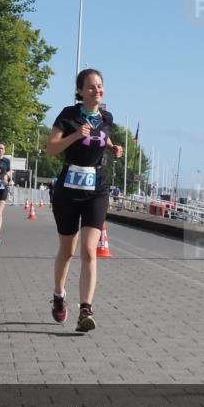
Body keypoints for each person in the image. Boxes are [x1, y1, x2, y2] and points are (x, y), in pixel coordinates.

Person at [45, 69, 123, 332]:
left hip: (96, 189)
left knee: (90, 250)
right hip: (68, 190)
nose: (97, 90)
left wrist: (113, 148)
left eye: (100, 86)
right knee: (67, 251)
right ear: (79, 91)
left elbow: (103, 136)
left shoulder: (106, 117)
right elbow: (52, 148)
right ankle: (58, 295)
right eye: (91, 87)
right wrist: (76, 135)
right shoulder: (68, 115)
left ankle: (85, 310)